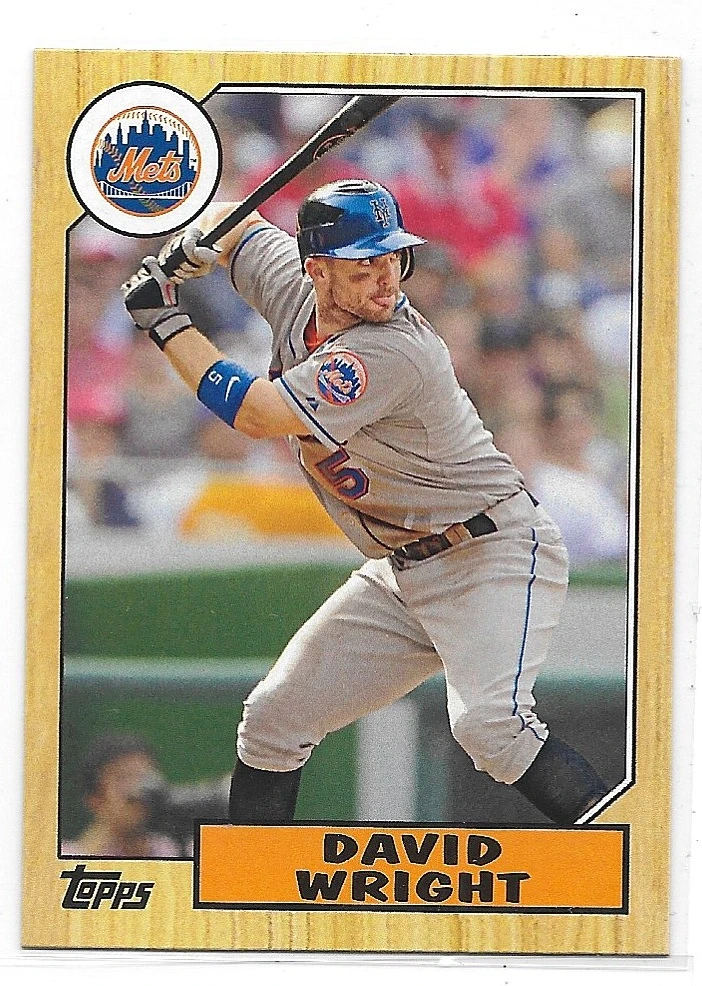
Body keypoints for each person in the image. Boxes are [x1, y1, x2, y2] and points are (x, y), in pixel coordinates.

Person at [121, 178, 609, 826]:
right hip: (402, 569)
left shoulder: (394, 348)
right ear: (317, 269)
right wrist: (194, 243)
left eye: (392, 259)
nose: (385, 279)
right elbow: (234, 221)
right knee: (273, 719)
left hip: (491, 551)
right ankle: (250, 879)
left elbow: (258, 414)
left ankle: (628, 850)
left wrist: (167, 323)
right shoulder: (291, 285)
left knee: (492, 728)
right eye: (363, 265)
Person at [61, 733, 182, 857]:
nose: (138, 789)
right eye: (125, 778)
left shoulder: (171, 850)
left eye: (146, 777)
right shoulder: (66, 856)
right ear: (96, 800)